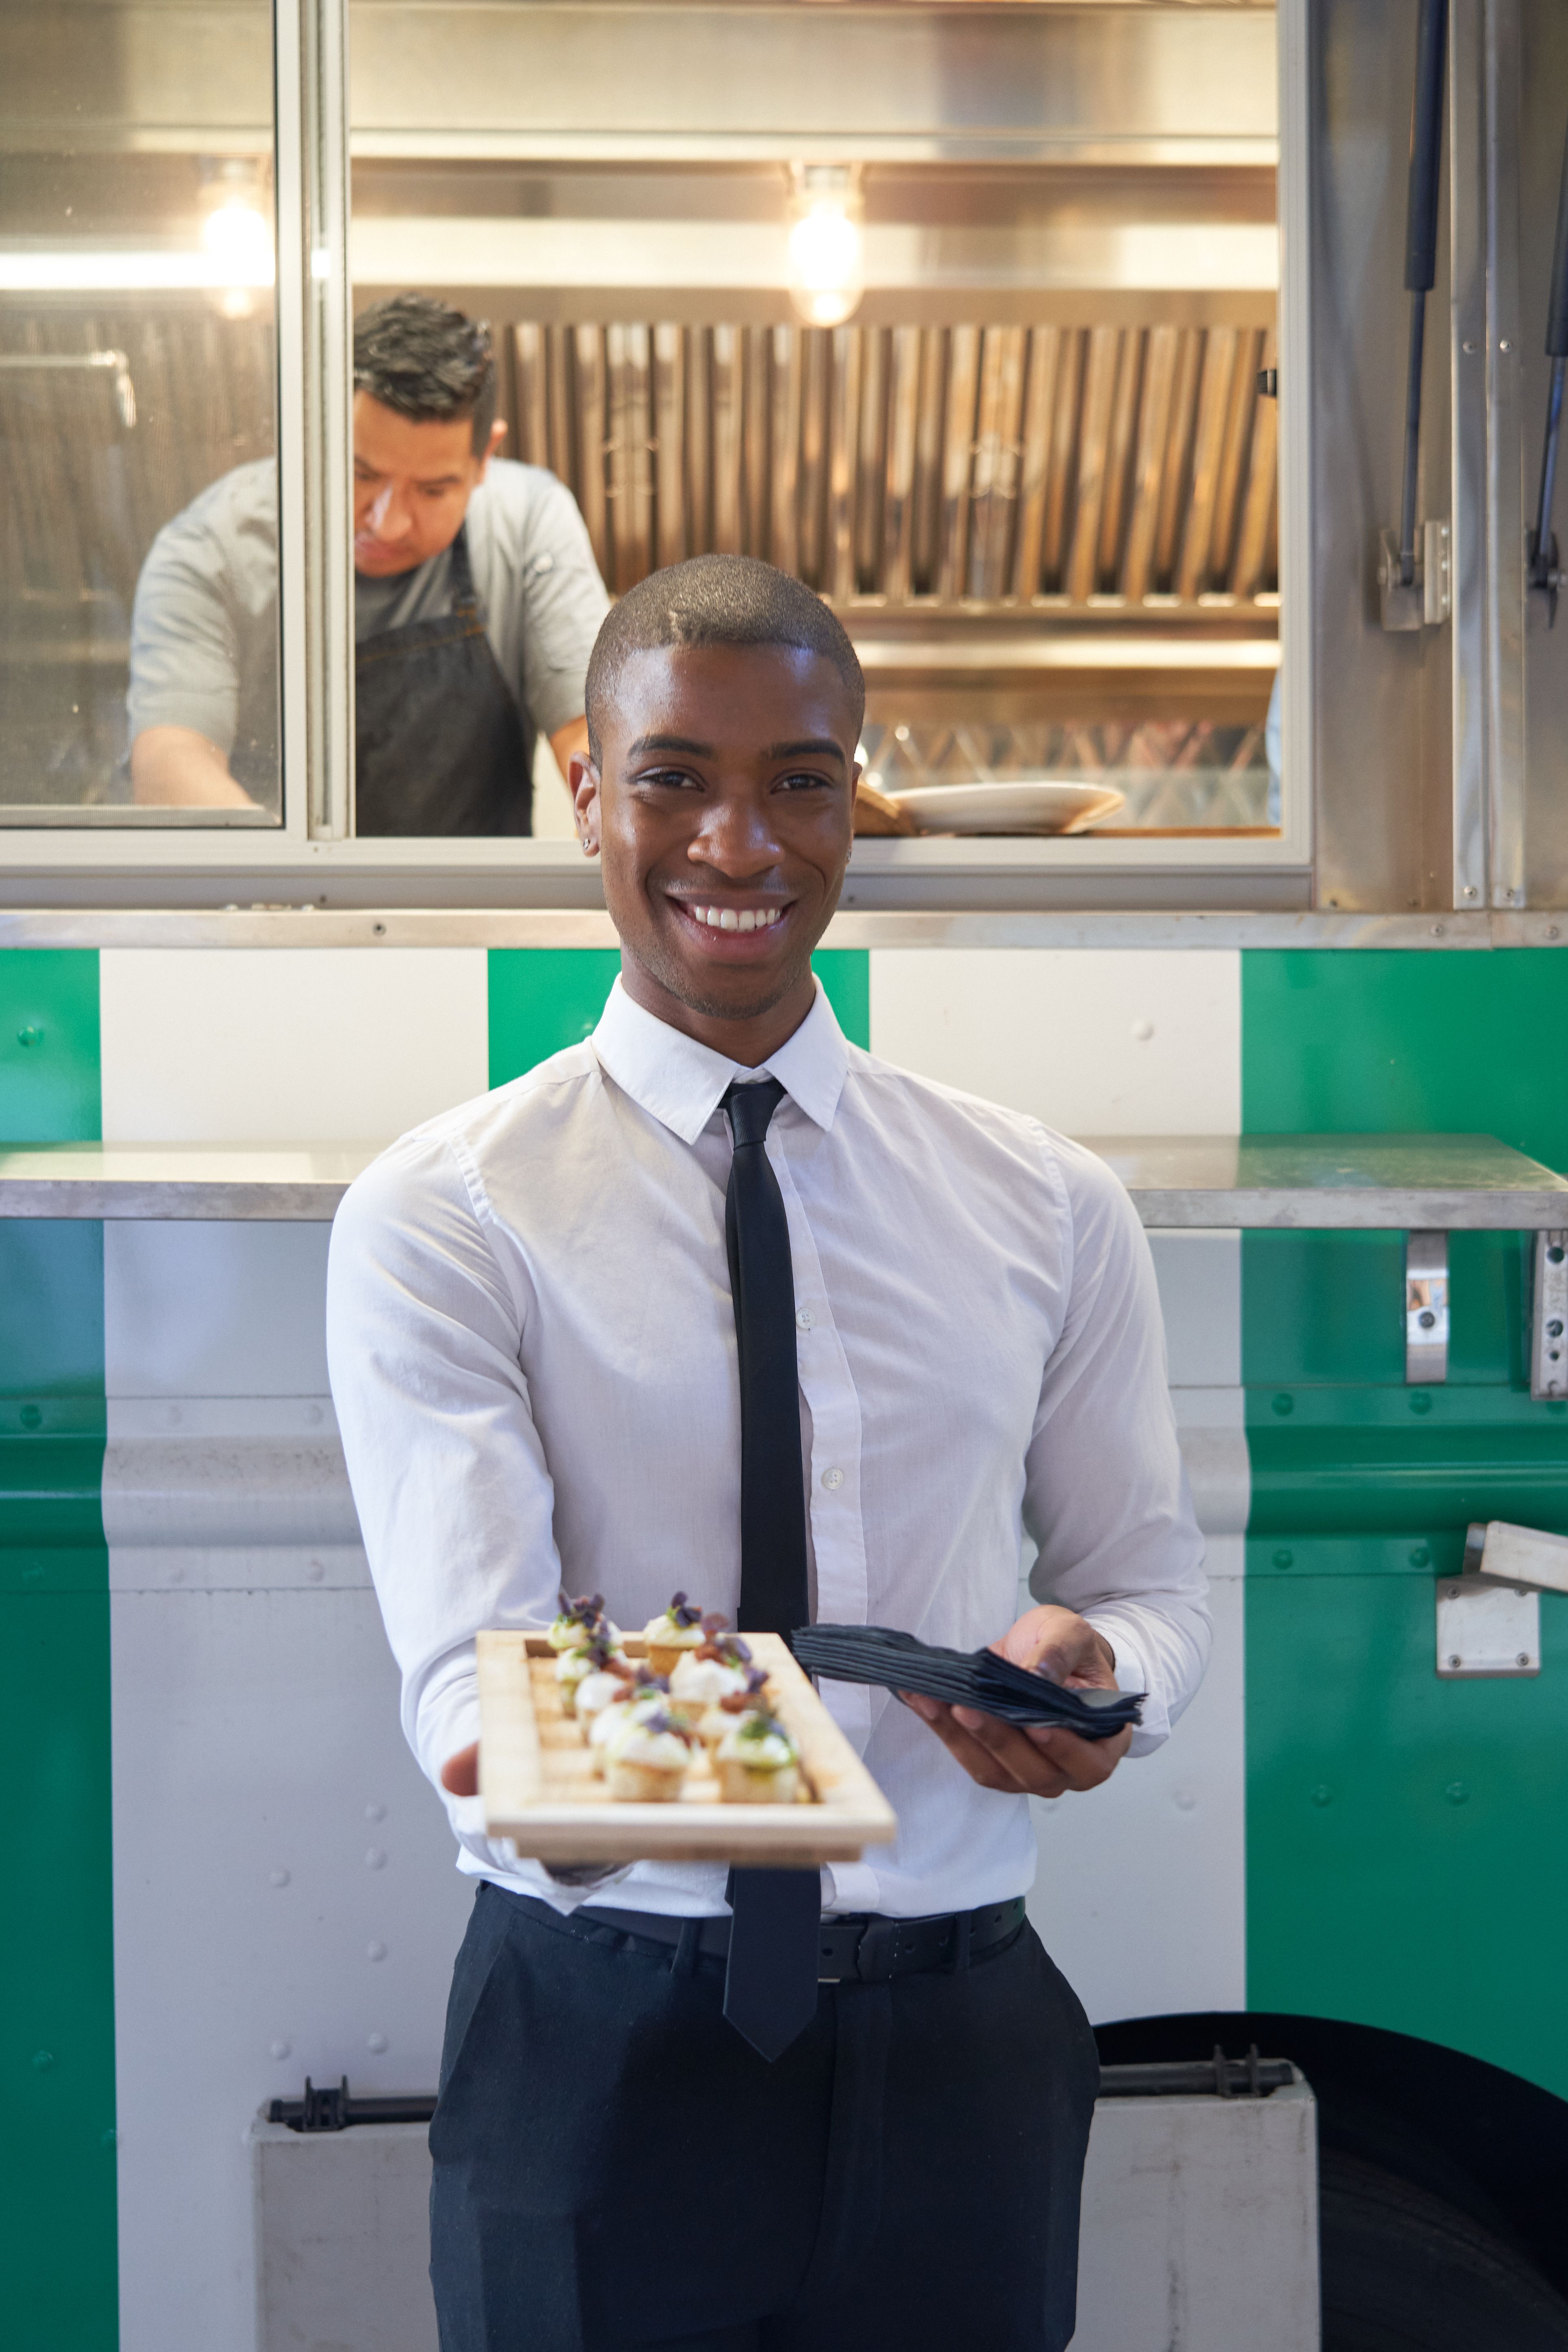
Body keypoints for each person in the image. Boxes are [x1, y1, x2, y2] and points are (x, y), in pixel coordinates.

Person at [325, 555, 1209, 2352]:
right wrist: (598, 1733)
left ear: (853, 800)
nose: (740, 843)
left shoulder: (1047, 1197)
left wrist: (1097, 1669)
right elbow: (479, 1705)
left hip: (967, 2043)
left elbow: (1148, 1586)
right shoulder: (447, 1213)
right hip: (598, 2042)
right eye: (676, 778)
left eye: (799, 780)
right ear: (588, 785)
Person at [127, 293, 608, 832]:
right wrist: (283, 899)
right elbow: (170, 761)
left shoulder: (529, 520)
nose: (388, 523)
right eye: (361, 474)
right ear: (316, 434)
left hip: (478, 911)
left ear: (483, 460)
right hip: (271, 906)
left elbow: (594, 741)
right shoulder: (212, 549)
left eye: (432, 490)